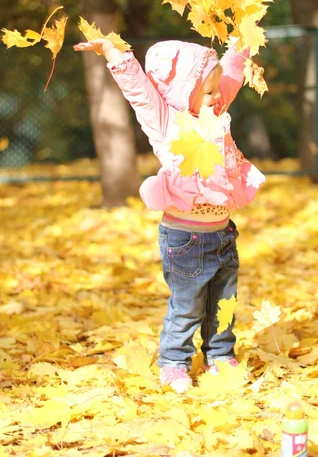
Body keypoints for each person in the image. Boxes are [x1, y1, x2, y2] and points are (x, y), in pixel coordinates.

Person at [74, 37, 265, 393]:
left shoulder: (215, 113)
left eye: (215, 90)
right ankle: (174, 362)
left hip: (223, 233)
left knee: (224, 302)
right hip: (185, 239)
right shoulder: (167, 124)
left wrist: (244, 37)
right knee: (188, 308)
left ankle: (220, 356)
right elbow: (139, 92)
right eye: (207, 91)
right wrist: (115, 54)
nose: (216, 97)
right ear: (183, 90)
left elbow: (233, 74)